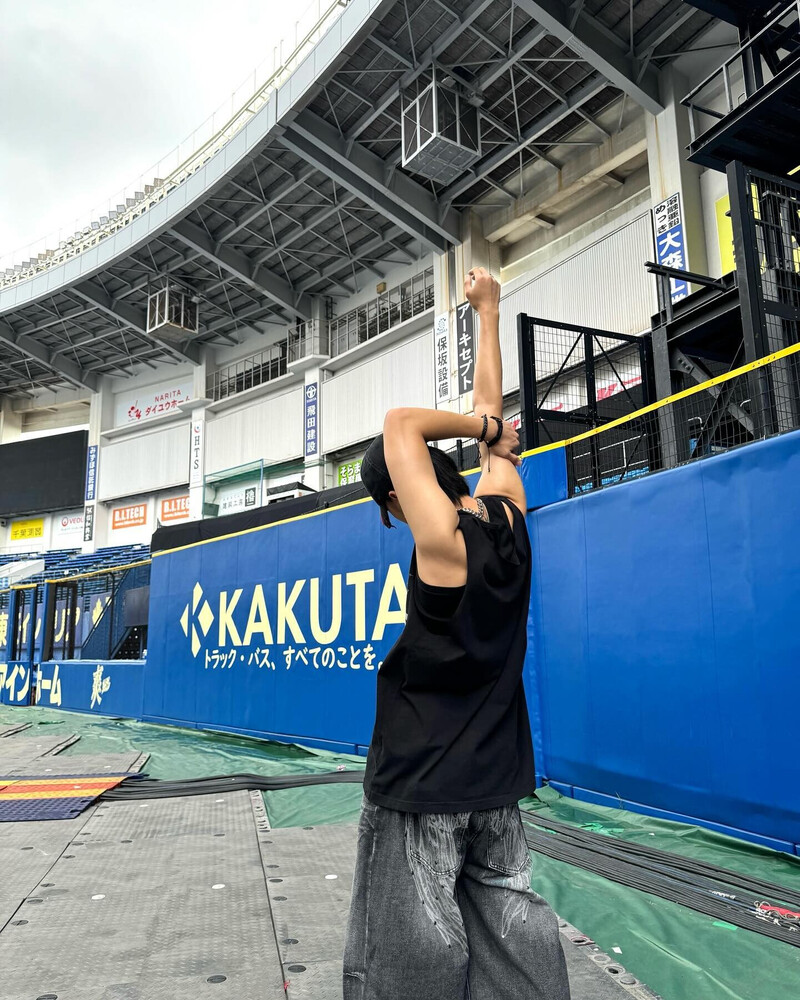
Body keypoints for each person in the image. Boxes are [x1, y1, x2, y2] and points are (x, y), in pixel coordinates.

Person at [343, 267, 571, 1000]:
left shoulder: (440, 549)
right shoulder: (508, 515)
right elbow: (485, 419)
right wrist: (489, 311)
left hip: (421, 793)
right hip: (495, 794)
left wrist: (485, 427)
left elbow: (400, 427)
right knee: (518, 951)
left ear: (392, 503)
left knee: (411, 969)